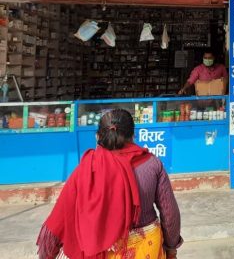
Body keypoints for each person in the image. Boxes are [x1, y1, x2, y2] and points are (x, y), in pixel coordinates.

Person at [37, 109, 182, 258]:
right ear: (133, 135)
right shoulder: (152, 164)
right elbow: (170, 213)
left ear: (98, 136)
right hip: (148, 250)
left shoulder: (87, 169)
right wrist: (171, 249)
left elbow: (58, 220)